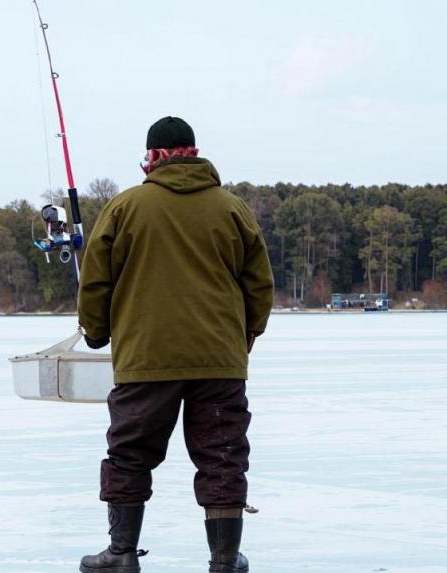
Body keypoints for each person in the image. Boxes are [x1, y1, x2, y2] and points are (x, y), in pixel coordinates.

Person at [76, 116, 274, 573]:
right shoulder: (232, 208)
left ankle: (121, 554)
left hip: (145, 359)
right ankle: (225, 559)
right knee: (222, 456)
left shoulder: (125, 207)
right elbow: (259, 285)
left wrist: (95, 332)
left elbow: (96, 283)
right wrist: (245, 337)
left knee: (129, 453)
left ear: (154, 156)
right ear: (193, 151)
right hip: (220, 361)